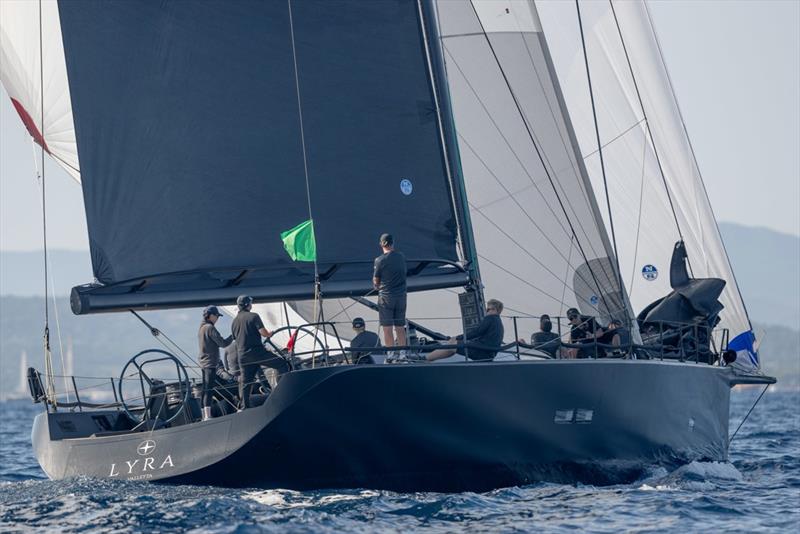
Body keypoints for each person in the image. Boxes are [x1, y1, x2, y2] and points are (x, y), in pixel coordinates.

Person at [231, 295, 290, 410]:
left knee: (246, 382)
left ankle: (244, 408)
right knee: (282, 364)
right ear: (248, 305)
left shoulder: (234, 322)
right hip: (257, 353)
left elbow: (235, 338)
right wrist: (270, 334)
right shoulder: (253, 316)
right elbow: (264, 333)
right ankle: (280, 392)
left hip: (243, 357)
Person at [426, 299, 505, 362]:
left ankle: (426, 359)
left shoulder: (490, 318)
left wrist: (457, 337)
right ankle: (429, 359)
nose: (486, 312)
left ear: (494, 310)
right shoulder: (498, 322)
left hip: (482, 352)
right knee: (453, 346)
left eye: (487, 309)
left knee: (453, 343)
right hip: (488, 353)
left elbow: (476, 332)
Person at [198, 306, 233, 421]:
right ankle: (208, 416)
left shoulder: (202, 327)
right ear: (211, 315)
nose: (217, 318)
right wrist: (233, 336)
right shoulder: (210, 328)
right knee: (209, 389)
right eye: (217, 316)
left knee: (205, 389)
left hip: (204, 363)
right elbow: (222, 343)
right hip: (210, 363)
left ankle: (204, 415)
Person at [373, 233, 407, 351]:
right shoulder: (401, 257)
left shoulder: (379, 260)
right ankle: (403, 353)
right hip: (401, 298)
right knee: (400, 327)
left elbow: (376, 281)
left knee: (387, 329)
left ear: (381, 245)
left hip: (386, 299)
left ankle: (391, 354)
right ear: (393, 243)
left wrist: (376, 286)